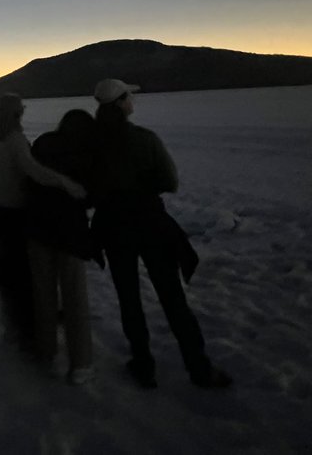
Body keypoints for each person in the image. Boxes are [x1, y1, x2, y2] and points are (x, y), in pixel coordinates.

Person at [90, 79, 232, 390]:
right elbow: (170, 181)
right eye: (129, 97)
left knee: (128, 299)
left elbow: (89, 187)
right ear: (121, 103)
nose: (133, 101)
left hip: (113, 227)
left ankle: (143, 366)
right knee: (172, 297)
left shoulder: (92, 144)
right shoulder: (145, 139)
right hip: (149, 222)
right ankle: (199, 368)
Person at [0, 93, 86, 354]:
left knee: (9, 270)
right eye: (22, 109)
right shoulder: (16, 140)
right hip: (15, 212)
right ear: (16, 113)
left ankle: (11, 326)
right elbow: (34, 171)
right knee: (22, 273)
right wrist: (66, 183)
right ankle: (27, 331)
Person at [26, 109, 99, 384]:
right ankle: (81, 363)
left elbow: (30, 179)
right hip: (69, 232)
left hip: (38, 228)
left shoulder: (43, 142)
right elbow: (89, 195)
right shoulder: (85, 153)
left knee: (43, 295)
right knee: (75, 298)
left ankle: (46, 351)